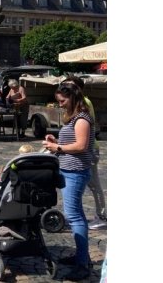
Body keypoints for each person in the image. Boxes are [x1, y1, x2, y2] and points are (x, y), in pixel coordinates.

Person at [41, 83, 94, 280]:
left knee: (74, 216)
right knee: (76, 214)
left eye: (62, 101)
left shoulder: (82, 118)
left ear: (72, 97)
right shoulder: (74, 118)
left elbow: (81, 145)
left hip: (76, 171)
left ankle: (82, 263)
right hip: (69, 169)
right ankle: (82, 256)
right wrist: (56, 142)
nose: (60, 105)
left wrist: (58, 148)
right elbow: (72, 142)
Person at [63, 76, 106, 230]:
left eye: (70, 86)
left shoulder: (84, 104)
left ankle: (102, 216)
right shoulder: (75, 104)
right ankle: (77, 215)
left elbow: (84, 129)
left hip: (89, 149)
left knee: (94, 185)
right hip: (83, 149)